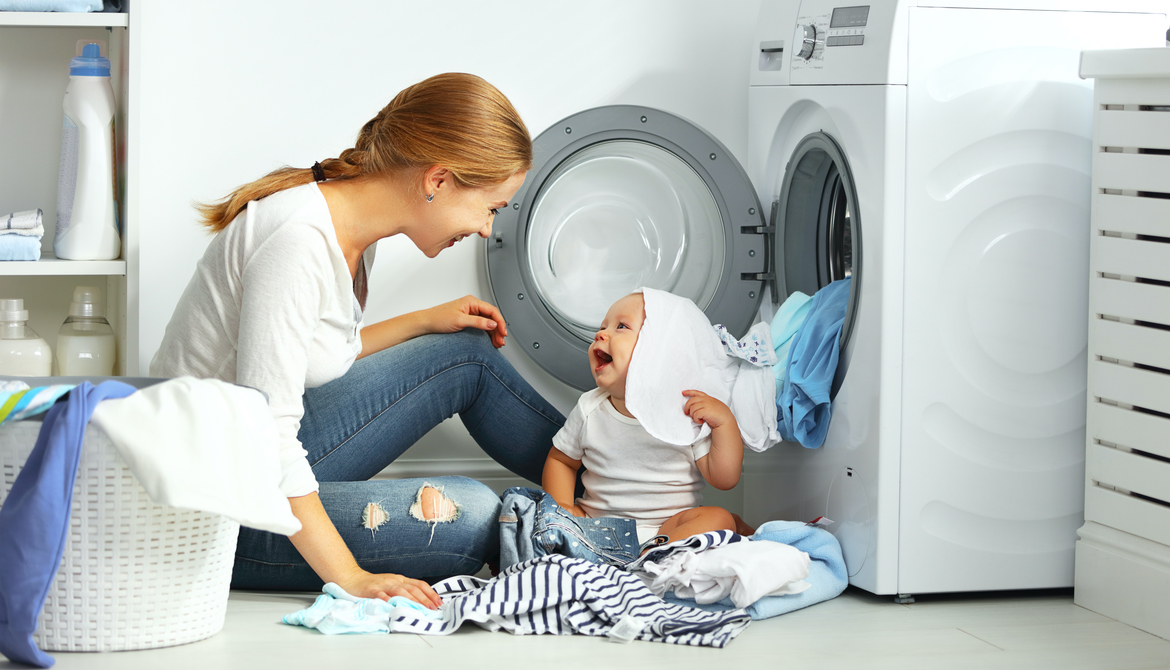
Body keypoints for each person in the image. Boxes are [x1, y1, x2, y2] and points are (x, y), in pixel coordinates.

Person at [149, 73, 564, 609]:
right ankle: (593, 526)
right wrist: (349, 576)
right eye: (491, 207)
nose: (487, 229)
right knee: (471, 514)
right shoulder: (298, 243)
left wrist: (422, 320)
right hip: (214, 509)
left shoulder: (351, 230)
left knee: (464, 351)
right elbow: (268, 433)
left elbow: (311, 355)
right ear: (437, 179)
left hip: (247, 458)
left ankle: (617, 490)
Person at [542, 291, 754, 552]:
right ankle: (643, 558)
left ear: (660, 350)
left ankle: (656, 553)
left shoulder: (685, 412)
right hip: (597, 525)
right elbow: (561, 460)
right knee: (535, 518)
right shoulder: (590, 408)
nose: (600, 334)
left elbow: (724, 478)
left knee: (718, 518)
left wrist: (724, 423)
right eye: (602, 327)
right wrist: (563, 508)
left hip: (669, 527)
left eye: (621, 326)